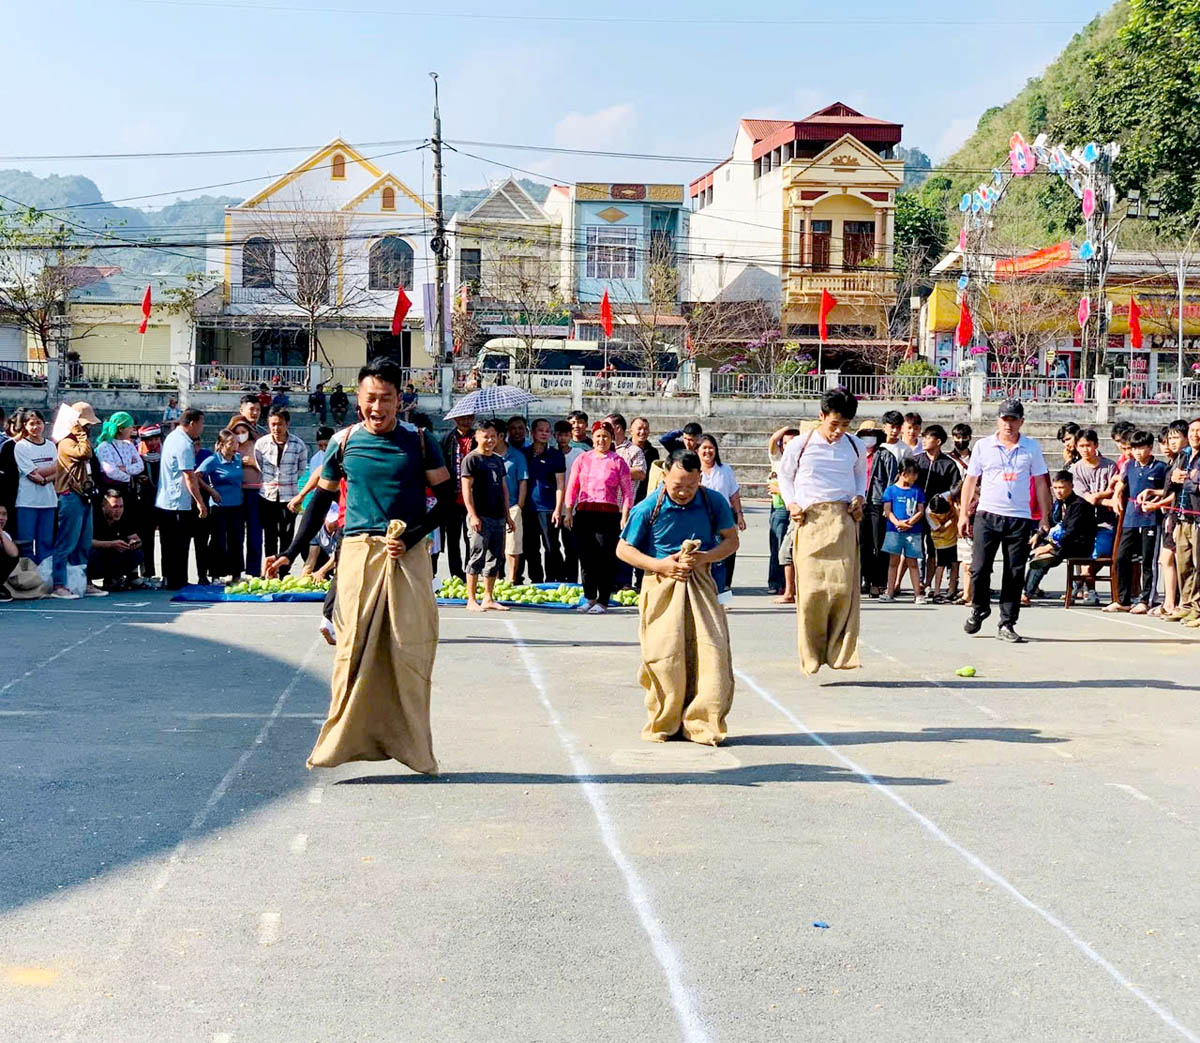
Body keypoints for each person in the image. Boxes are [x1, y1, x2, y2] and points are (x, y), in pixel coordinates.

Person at [266, 357, 453, 774]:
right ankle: (340, 744)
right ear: (358, 399)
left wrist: (412, 536)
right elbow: (320, 502)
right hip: (355, 554)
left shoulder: (421, 442)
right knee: (350, 653)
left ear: (399, 400)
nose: (378, 408)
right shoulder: (344, 442)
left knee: (410, 651)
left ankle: (415, 749)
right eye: (370, 398)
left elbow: (447, 500)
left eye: (386, 399)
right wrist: (290, 552)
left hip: (407, 556)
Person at [617, 448, 739, 745]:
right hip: (661, 585)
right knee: (665, 656)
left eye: (690, 485)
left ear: (700, 479)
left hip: (702, 583)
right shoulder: (649, 507)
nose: (683, 492)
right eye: (676, 486)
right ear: (664, 479)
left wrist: (705, 558)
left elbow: (731, 540)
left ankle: (702, 723)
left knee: (710, 654)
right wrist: (661, 565)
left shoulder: (714, 502)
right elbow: (623, 550)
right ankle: (665, 721)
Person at [777, 388, 867, 674]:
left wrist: (859, 498)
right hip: (810, 521)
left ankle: (840, 653)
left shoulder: (854, 446)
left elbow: (859, 477)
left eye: (845, 425)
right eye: (834, 424)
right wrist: (792, 503)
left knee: (842, 591)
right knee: (813, 591)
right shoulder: (800, 445)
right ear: (821, 417)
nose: (839, 431)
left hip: (842, 520)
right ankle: (812, 654)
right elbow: (785, 476)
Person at [958, 399, 1051, 643]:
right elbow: (970, 480)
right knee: (979, 568)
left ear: (1021, 421)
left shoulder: (1031, 447)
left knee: (1014, 572)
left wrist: (1044, 517)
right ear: (998, 420)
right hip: (987, 514)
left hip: (1018, 517)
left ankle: (1007, 622)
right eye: (1004, 419)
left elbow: (1041, 483)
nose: (1008, 424)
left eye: (1013, 419)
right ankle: (979, 607)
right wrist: (963, 514)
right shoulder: (983, 446)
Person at [564, 420, 633, 613]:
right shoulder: (583, 459)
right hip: (585, 513)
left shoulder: (618, 462)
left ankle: (603, 600)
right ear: (592, 438)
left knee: (604, 558)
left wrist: (624, 515)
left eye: (606, 436)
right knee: (586, 558)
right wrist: (568, 511)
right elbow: (573, 487)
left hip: (608, 514)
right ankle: (590, 597)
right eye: (598, 436)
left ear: (611, 439)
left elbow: (627, 492)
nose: (601, 440)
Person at [1106, 429, 1167, 615]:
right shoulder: (1129, 465)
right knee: (1121, 557)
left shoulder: (1160, 467)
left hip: (1150, 518)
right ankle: (1122, 600)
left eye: (1142, 448)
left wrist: (1154, 498)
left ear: (1150, 447)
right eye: (1134, 448)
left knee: (1148, 559)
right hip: (1130, 518)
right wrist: (1117, 494)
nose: (1138, 452)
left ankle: (1145, 599)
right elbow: (1121, 483)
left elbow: (1168, 491)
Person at [52, 401, 107, 599]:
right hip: (70, 495)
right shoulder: (67, 442)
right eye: (86, 425)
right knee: (66, 543)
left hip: (84, 496)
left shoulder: (81, 440)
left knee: (83, 543)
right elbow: (84, 454)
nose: (89, 428)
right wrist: (79, 433)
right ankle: (58, 584)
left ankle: (80, 582)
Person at [461, 419, 513, 612]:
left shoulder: (498, 460)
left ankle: (488, 597)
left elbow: (504, 489)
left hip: (498, 516)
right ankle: (471, 599)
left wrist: (507, 516)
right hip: (480, 516)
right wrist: (473, 515)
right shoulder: (471, 459)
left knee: (495, 558)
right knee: (476, 556)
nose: (490, 440)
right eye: (485, 436)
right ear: (476, 436)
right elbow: (466, 490)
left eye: (493, 436)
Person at [1023, 470, 1096, 604]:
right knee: (1029, 549)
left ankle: (1027, 595)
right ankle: (1028, 589)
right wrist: (1038, 536)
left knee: (1044, 556)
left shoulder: (1079, 505)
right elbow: (1050, 522)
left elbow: (1071, 533)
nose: (1058, 491)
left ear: (1071, 486)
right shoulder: (1058, 504)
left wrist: (1049, 546)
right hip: (1061, 542)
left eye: (1062, 487)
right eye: (1055, 488)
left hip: (1079, 544)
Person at [156, 408, 208, 590]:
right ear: (192, 423)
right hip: (177, 502)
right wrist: (201, 502)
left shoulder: (172, 437)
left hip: (165, 500)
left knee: (168, 544)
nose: (202, 428)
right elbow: (189, 476)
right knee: (179, 545)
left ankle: (170, 579)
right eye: (201, 424)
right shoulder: (185, 444)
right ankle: (178, 581)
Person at [254, 407, 308, 577]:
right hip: (267, 495)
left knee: (287, 535)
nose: (276, 428)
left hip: (289, 496)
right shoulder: (261, 444)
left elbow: (300, 469)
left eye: (280, 424)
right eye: (273, 424)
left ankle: (284, 570)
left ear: (287, 424)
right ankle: (269, 570)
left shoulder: (298, 445)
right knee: (269, 535)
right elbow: (259, 465)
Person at [1069, 429, 1118, 606]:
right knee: (1086, 554)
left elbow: (1116, 491)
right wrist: (1104, 497)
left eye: (1088, 445)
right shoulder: (1075, 469)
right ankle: (1090, 589)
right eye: (1081, 446)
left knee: (1101, 553)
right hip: (1084, 522)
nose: (1085, 449)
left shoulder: (1110, 466)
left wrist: (1100, 497)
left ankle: (1079, 582)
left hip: (1106, 522)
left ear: (1095, 445)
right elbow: (1086, 498)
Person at [697, 434, 745, 597]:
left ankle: (724, 591)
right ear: (697, 450)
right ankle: (706, 590)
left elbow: (734, 494)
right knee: (707, 553)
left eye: (711, 448)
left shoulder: (725, 470)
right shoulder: (694, 471)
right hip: (702, 518)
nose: (708, 451)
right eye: (704, 448)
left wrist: (739, 515)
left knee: (727, 553)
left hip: (724, 517)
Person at [198, 429, 245, 583]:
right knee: (218, 540)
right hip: (219, 507)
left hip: (236, 505)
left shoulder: (238, 459)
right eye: (231, 443)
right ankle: (216, 574)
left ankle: (236, 573)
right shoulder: (213, 460)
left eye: (236, 443)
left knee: (236, 539)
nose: (234, 446)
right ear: (221, 445)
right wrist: (211, 491)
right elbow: (196, 476)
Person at [522, 418, 566, 583]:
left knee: (551, 546)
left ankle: (555, 578)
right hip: (528, 508)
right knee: (531, 547)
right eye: (541, 430)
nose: (544, 434)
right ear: (532, 433)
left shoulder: (555, 455)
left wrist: (557, 509)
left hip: (548, 508)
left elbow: (560, 484)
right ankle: (536, 579)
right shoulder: (524, 454)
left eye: (547, 431)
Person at [915, 424, 960, 582]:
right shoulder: (916, 461)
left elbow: (955, 491)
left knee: (933, 551)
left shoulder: (949, 465)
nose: (924, 441)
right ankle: (915, 582)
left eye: (928, 438)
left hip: (937, 516)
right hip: (916, 513)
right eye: (923, 437)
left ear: (939, 441)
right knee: (914, 549)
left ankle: (928, 584)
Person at [607, 413, 647, 590]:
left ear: (618, 428)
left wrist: (618, 471)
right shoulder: (603, 448)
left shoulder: (633, 450)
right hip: (604, 506)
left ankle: (624, 583)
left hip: (625, 506)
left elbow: (640, 472)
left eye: (608, 426)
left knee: (625, 544)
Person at [857, 426, 896, 599]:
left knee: (878, 545)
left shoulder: (885, 455)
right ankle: (864, 579)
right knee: (862, 545)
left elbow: (891, 481)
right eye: (864, 435)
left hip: (877, 503)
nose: (868, 438)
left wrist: (887, 504)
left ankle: (877, 582)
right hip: (860, 502)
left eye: (871, 435)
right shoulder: (856, 454)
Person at [14, 409, 57, 565]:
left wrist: (46, 477)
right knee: (25, 544)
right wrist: (53, 470)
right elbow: (33, 474)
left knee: (46, 543)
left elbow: (60, 472)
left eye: (38, 423)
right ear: (25, 425)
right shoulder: (21, 447)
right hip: (27, 502)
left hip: (49, 501)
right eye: (31, 424)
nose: (35, 427)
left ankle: (45, 579)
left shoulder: (52, 446)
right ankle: (28, 581)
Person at [880, 459, 926, 603]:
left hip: (913, 531)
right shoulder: (891, 490)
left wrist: (909, 522)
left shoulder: (917, 491)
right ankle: (890, 592)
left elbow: (921, 511)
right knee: (893, 562)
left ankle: (917, 594)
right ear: (902, 473)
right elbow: (887, 511)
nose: (914, 477)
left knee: (912, 562)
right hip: (893, 531)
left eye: (915, 474)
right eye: (911, 474)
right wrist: (898, 523)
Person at [439, 411, 477, 580]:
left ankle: (471, 571)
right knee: (453, 539)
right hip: (452, 497)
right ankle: (456, 574)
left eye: (469, 418)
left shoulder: (478, 438)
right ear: (455, 419)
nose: (466, 421)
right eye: (462, 418)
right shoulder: (446, 439)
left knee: (472, 538)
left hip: (473, 498)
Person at [492, 421, 529, 584]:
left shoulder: (517, 456)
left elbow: (523, 481)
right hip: (491, 507)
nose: (490, 440)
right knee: (494, 546)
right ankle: (495, 578)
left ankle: (511, 579)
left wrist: (519, 506)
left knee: (512, 546)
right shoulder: (485, 455)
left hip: (512, 506)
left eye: (493, 436)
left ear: (501, 436)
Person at [1171, 419, 1200, 625]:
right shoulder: (1185, 455)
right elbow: (1174, 484)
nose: (1195, 435)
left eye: (1199, 431)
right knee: (1184, 564)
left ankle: (1198, 609)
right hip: (1182, 516)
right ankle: (1187, 605)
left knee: (1199, 565)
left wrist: (1187, 481)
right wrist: (1175, 478)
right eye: (1192, 430)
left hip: (1198, 517)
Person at [767, 426, 801, 598]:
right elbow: (773, 440)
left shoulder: (802, 459)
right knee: (778, 545)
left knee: (792, 548)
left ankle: (791, 586)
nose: (789, 445)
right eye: (786, 442)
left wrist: (780, 490)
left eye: (793, 442)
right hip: (780, 507)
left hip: (795, 506)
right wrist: (788, 428)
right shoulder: (778, 459)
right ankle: (776, 582)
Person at [88, 488, 144, 591]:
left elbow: (137, 539)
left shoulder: (123, 517)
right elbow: (86, 542)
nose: (118, 510)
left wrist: (134, 543)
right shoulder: (94, 518)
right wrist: (111, 544)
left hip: (113, 553)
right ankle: (87, 581)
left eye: (121, 506)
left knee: (137, 553)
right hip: (96, 555)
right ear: (104, 507)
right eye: (114, 507)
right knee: (93, 554)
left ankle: (115, 578)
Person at [555, 420, 583, 582]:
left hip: (573, 508)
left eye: (566, 435)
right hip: (555, 507)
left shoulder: (578, 454)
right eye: (560, 435)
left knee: (571, 547)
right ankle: (557, 577)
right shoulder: (551, 453)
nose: (563, 438)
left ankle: (571, 579)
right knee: (553, 546)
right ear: (555, 436)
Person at [135, 423, 163, 583]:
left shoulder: (164, 453)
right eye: (149, 440)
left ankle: (166, 574)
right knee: (145, 539)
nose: (152, 443)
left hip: (161, 501)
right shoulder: (136, 455)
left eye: (155, 439)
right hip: (143, 503)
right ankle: (146, 573)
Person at [925, 493, 960, 601]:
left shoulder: (948, 496)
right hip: (940, 541)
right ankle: (937, 591)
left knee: (955, 564)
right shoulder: (929, 512)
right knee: (940, 565)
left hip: (954, 537)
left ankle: (951, 590)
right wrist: (951, 520)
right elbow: (939, 528)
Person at [629, 417, 659, 504]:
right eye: (639, 429)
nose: (642, 432)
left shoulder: (653, 452)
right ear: (631, 431)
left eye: (646, 429)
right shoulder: (623, 450)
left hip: (645, 496)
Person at [0, 504, 19, 600]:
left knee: (12, 558)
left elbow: (14, 554)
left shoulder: (5, 535)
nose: (1, 518)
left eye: (4, 514)